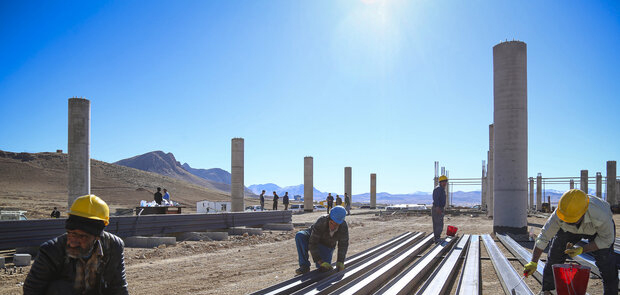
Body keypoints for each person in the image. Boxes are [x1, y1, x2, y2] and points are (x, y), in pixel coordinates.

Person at [24, 195, 128, 295]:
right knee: (60, 288)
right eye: (70, 233)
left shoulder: (114, 246)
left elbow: (119, 288)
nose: (72, 243)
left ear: (97, 236)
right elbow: (32, 290)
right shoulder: (51, 251)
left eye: (82, 236)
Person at [523, 189, 617, 295]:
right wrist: (534, 261)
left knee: (606, 262)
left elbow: (606, 240)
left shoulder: (601, 215)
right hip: (568, 230)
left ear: (584, 212)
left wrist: (582, 249)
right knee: (555, 255)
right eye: (566, 219)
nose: (569, 221)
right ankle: (548, 290)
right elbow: (544, 237)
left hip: (596, 230)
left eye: (572, 219)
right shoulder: (560, 213)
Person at [294, 206, 349, 275]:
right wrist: (320, 261)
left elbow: (343, 245)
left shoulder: (343, 227)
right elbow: (313, 243)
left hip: (327, 245)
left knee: (325, 270)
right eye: (331, 223)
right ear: (329, 218)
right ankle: (304, 267)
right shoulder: (322, 221)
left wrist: (340, 262)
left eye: (336, 225)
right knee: (300, 236)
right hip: (313, 238)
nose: (333, 227)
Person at [432, 175, 448, 244]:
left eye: (445, 182)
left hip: (440, 208)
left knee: (440, 223)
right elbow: (436, 199)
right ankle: (437, 238)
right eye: (443, 182)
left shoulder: (442, 189)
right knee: (438, 223)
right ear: (440, 182)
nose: (445, 183)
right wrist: (437, 207)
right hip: (437, 208)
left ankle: (437, 237)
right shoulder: (438, 189)